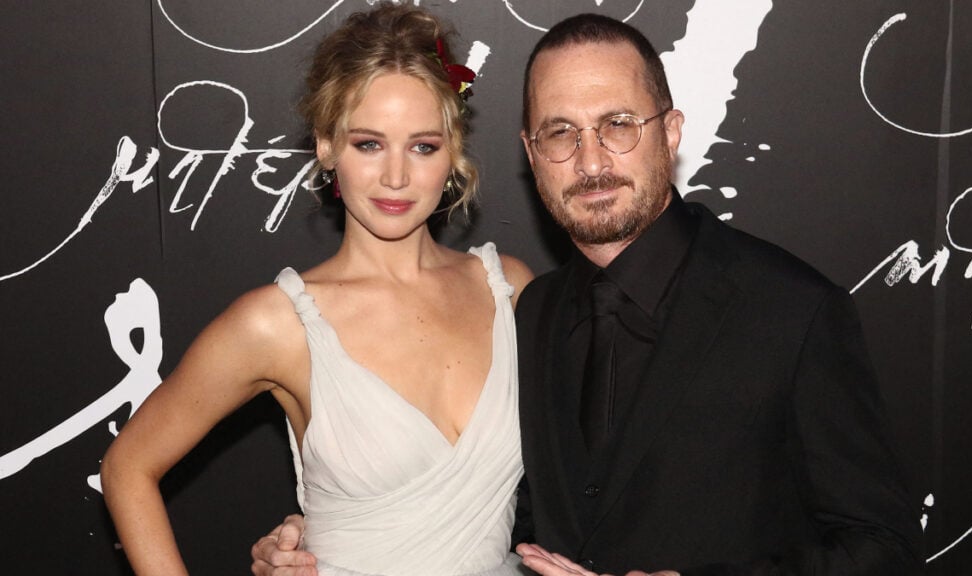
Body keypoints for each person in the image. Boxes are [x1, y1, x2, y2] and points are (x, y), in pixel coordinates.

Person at [253, 12, 925, 576]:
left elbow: (884, 548)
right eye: (561, 133)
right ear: (530, 151)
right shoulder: (529, 309)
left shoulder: (791, 310)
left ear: (670, 131)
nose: (592, 160)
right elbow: (501, 510)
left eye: (618, 124)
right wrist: (337, 529)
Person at [101, 4, 532, 576]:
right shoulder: (277, 323)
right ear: (327, 146)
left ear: (452, 150)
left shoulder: (509, 289)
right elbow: (128, 466)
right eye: (368, 144)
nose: (397, 177)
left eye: (423, 146)